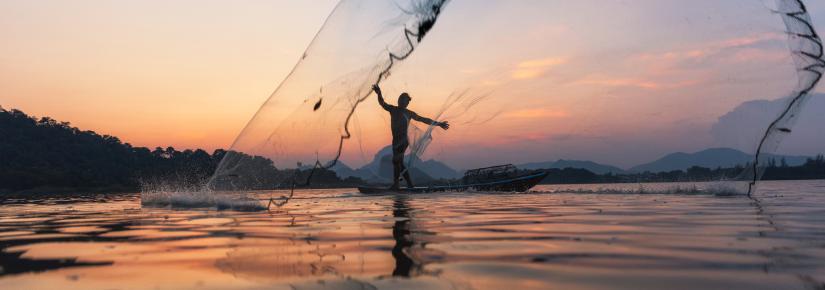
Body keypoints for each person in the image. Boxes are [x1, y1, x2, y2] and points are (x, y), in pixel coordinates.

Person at [374, 84, 449, 189]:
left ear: (407, 103)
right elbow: (382, 103)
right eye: (400, 99)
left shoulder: (408, 113)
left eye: (404, 100)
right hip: (395, 140)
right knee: (399, 162)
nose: (401, 101)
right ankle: (409, 184)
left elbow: (423, 119)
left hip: (403, 140)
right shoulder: (393, 109)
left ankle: (396, 185)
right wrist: (379, 93)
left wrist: (439, 124)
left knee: (396, 161)